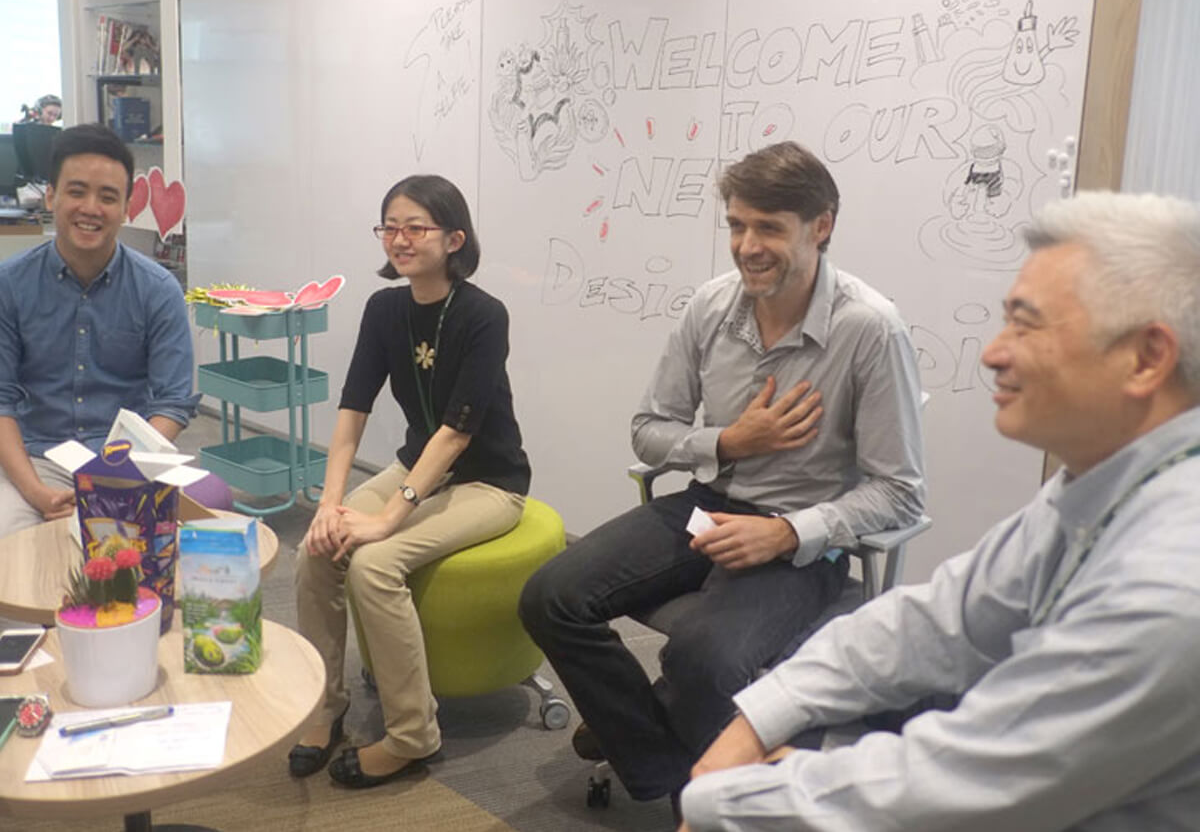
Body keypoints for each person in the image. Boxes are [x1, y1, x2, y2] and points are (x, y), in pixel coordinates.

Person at [682, 191, 1200, 832]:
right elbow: (942, 620)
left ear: (1147, 357)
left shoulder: (1171, 587)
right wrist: (763, 718)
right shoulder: (1099, 485)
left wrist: (726, 801)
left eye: (1026, 323)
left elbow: (978, 783)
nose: (993, 353)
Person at [518, 141, 927, 804]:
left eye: (769, 226)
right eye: (737, 224)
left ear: (820, 225)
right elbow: (649, 430)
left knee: (700, 656)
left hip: (799, 542)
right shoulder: (711, 307)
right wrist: (729, 441)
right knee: (550, 597)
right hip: (709, 501)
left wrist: (789, 534)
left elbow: (901, 492)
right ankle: (667, 768)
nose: (747, 245)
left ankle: (657, 747)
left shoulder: (871, 330)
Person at [291, 174, 531, 789]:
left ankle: (412, 735)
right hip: (418, 468)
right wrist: (330, 503)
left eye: (415, 226)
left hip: (486, 483)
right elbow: (352, 410)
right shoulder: (385, 308)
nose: (399, 239)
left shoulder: (483, 315)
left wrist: (388, 516)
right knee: (315, 551)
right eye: (390, 226)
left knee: (373, 564)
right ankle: (327, 707)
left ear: (454, 238)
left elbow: (457, 431)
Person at [0, 123, 199, 538]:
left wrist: (116, 476)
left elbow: (173, 403)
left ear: (127, 207)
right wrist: (36, 492)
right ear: (51, 195)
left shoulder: (158, 290)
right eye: (76, 191)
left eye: (108, 197)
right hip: (35, 458)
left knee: (152, 563)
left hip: (130, 463)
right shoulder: (10, 285)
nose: (91, 208)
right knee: (11, 548)